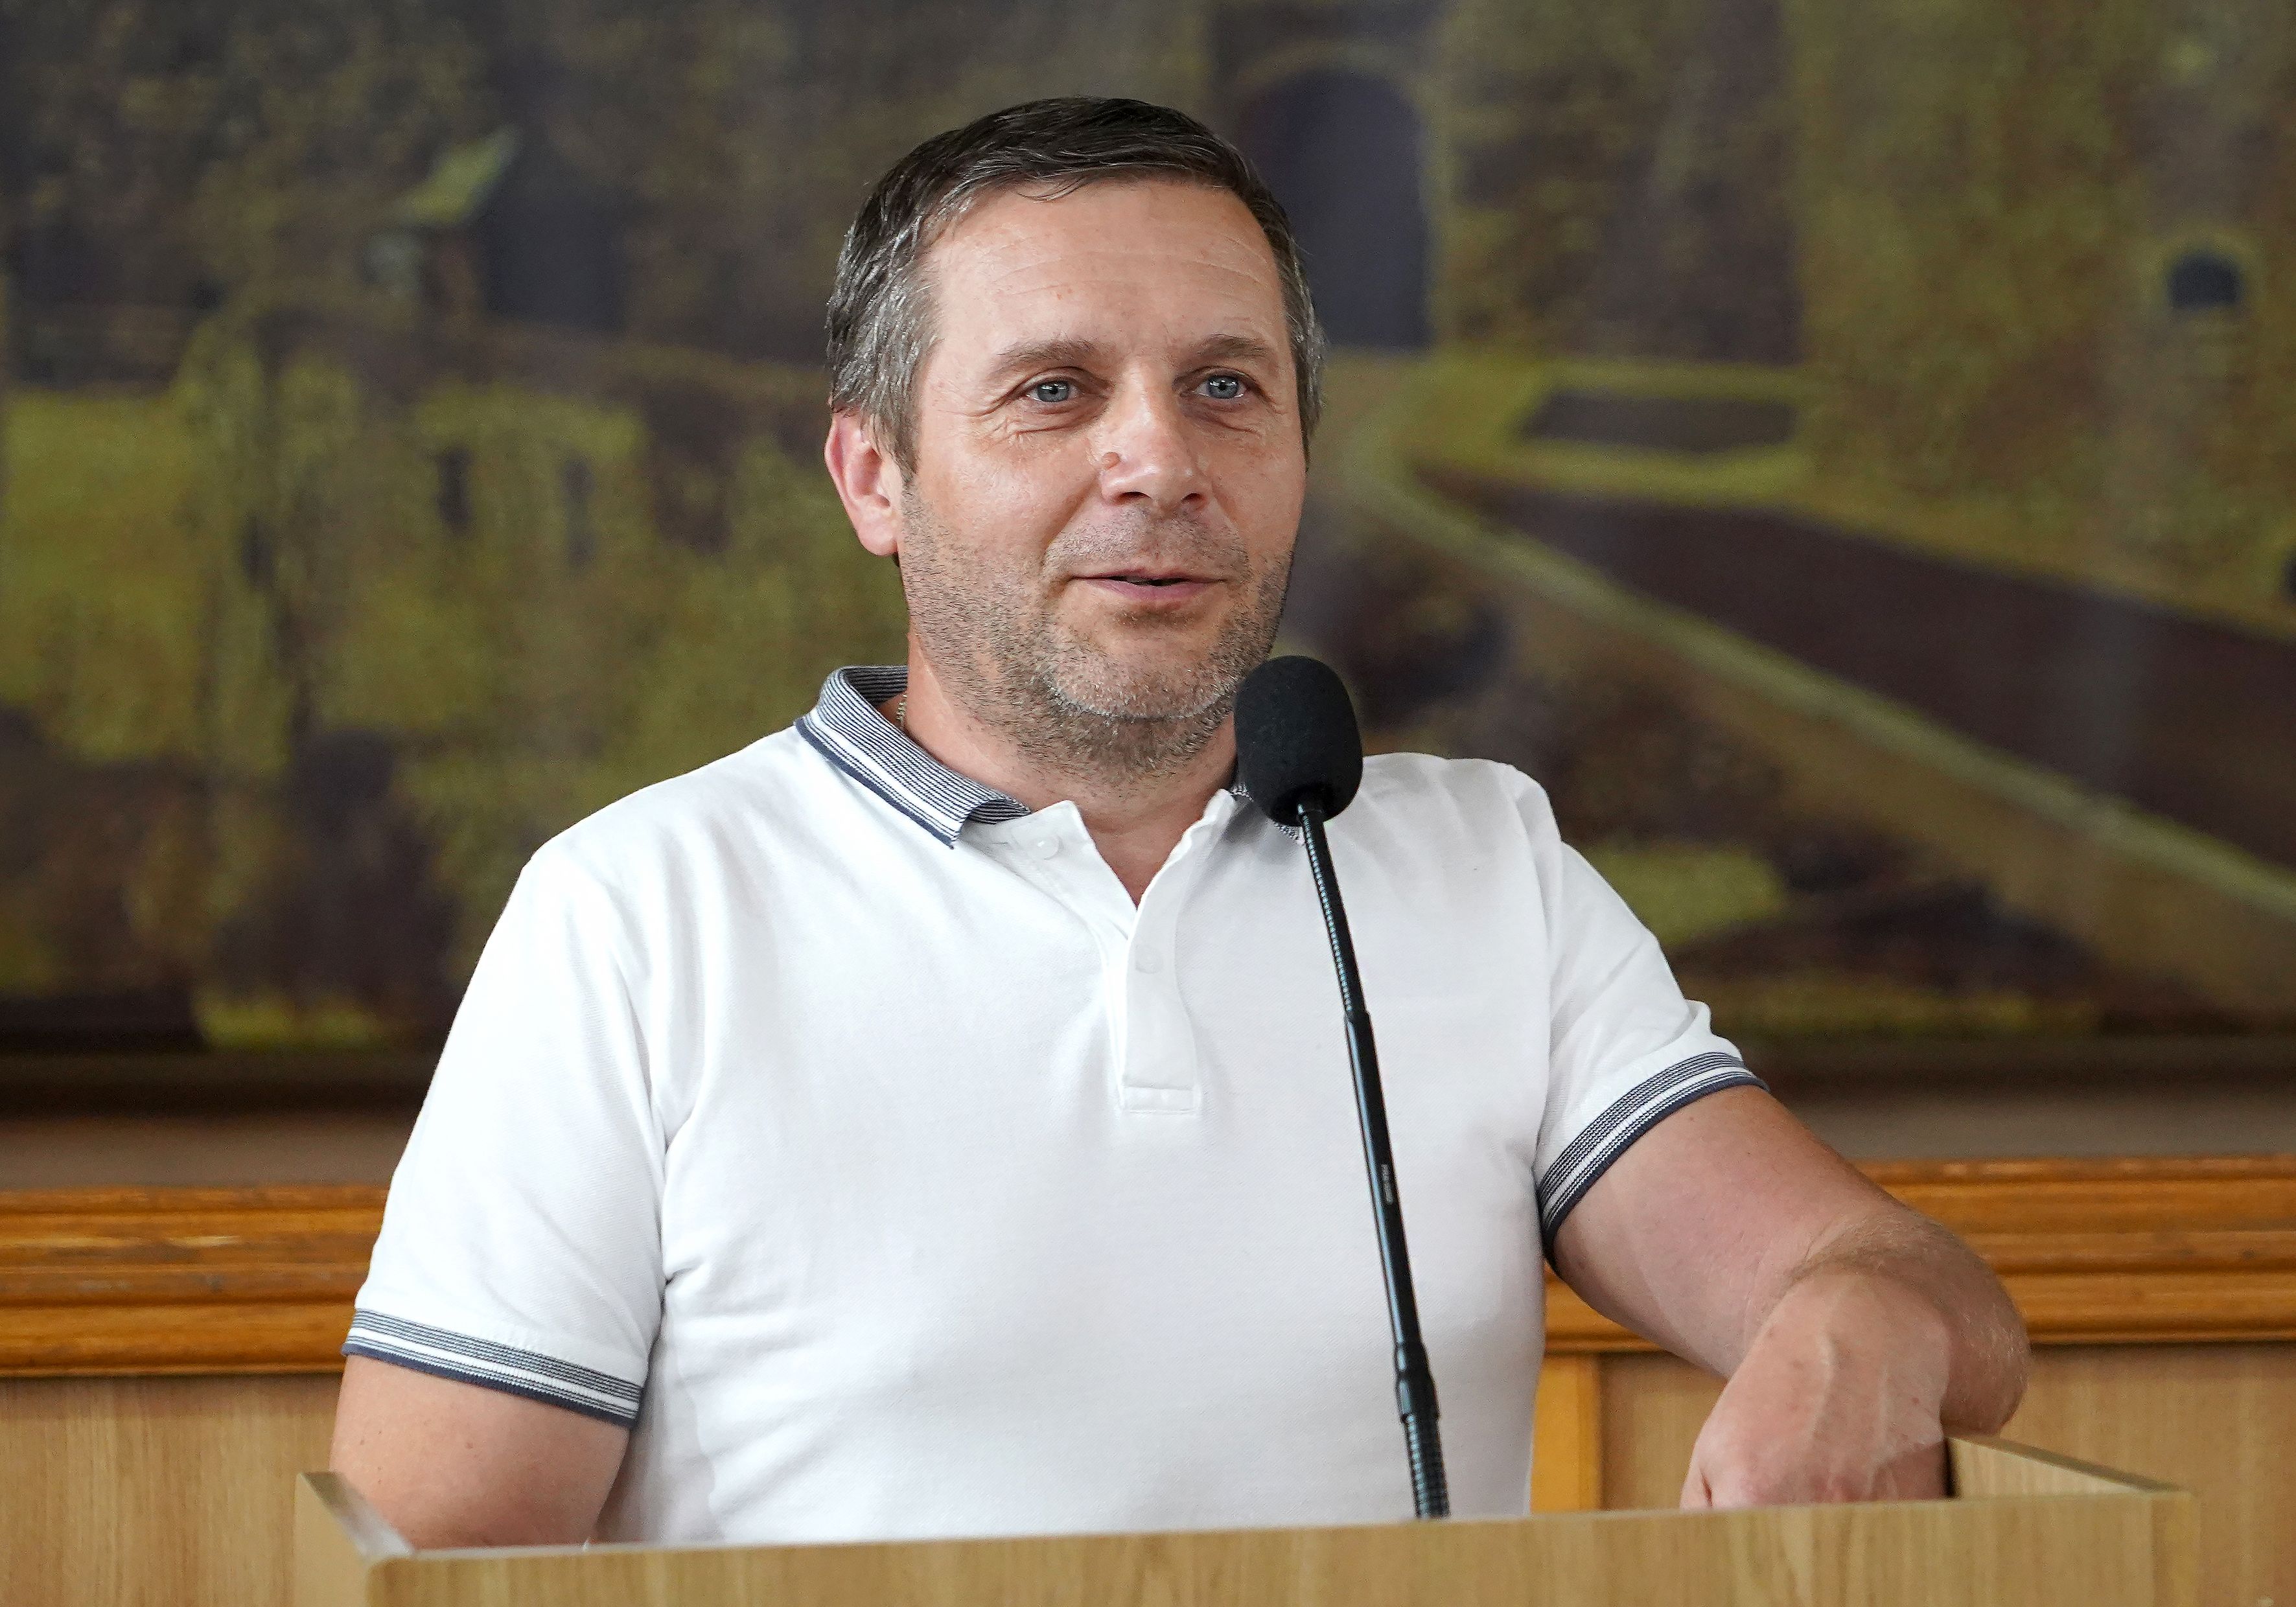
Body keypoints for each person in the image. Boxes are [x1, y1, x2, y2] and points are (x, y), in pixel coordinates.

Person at [330, 97, 2027, 1548]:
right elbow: (423, 1564)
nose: (1159, 461)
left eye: (1225, 387)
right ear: (873, 478)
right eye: (1054, 391)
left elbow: (1920, 1300)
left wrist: (1864, 1318)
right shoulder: (638, 914)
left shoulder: (1484, 868)